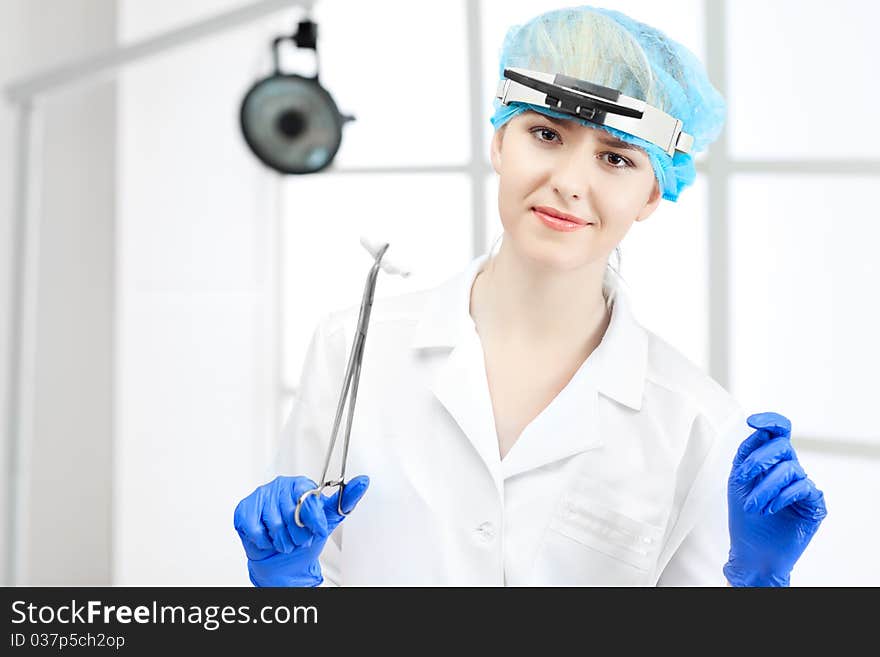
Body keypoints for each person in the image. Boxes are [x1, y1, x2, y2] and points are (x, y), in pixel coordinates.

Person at [233, 5, 826, 586]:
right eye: (545, 134)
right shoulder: (351, 348)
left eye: (615, 158)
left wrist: (755, 584)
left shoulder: (696, 423)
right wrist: (289, 586)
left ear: (652, 194)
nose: (569, 182)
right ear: (499, 140)